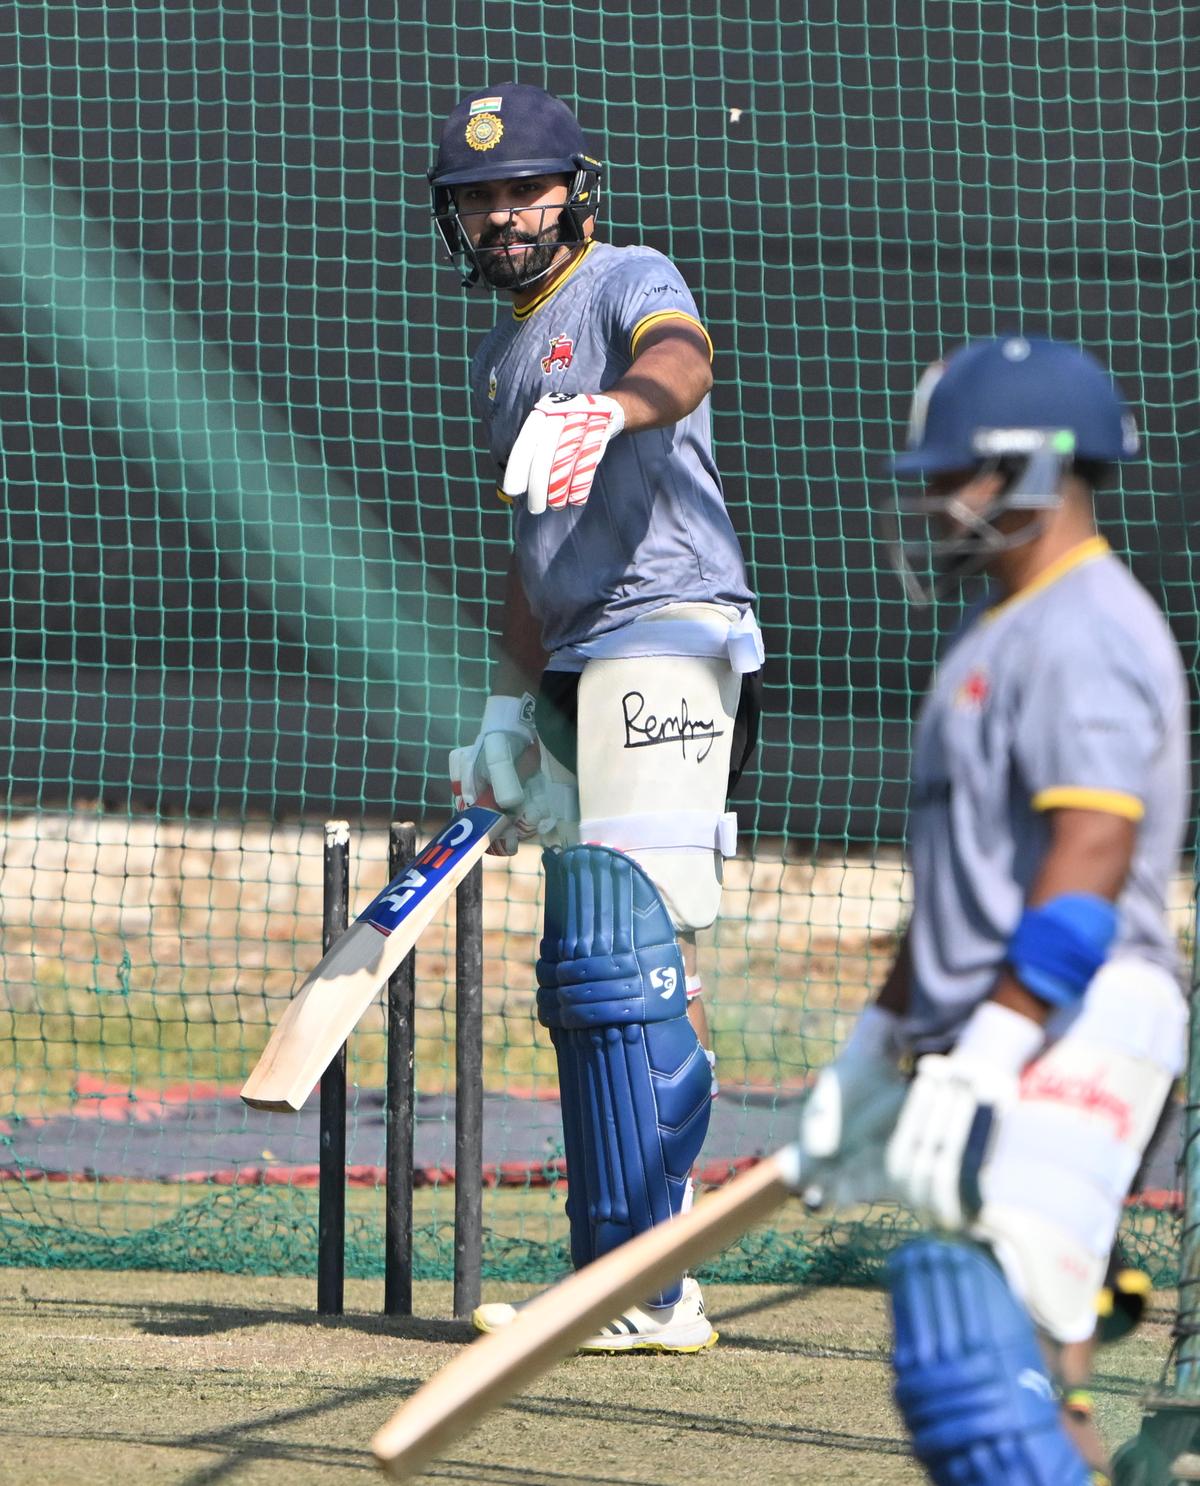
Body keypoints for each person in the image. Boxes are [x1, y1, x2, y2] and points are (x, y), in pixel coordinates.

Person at [799, 335, 1188, 1483]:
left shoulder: (1088, 629)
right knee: (1017, 1365)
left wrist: (1003, 1036)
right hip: (1004, 1020)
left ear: (1026, 469)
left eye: (950, 472)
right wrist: (879, 1044)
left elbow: (1095, 849)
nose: (927, 498)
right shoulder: (995, 630)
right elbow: (964, 888)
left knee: (978, 1348)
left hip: (1085, 1012)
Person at [428, 83, 764, 1352]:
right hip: (575, 658)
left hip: (672, 632)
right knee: (583, 974)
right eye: (479, 197)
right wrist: (504, 711)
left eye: (526, 188)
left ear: (575, 189)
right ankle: (613, 1280)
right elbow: (533, 555)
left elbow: (682, 358)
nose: (505, 213)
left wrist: (612, 406)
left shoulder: (630, 275)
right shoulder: (499, 354)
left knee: (621, 962)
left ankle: (654, 1289)